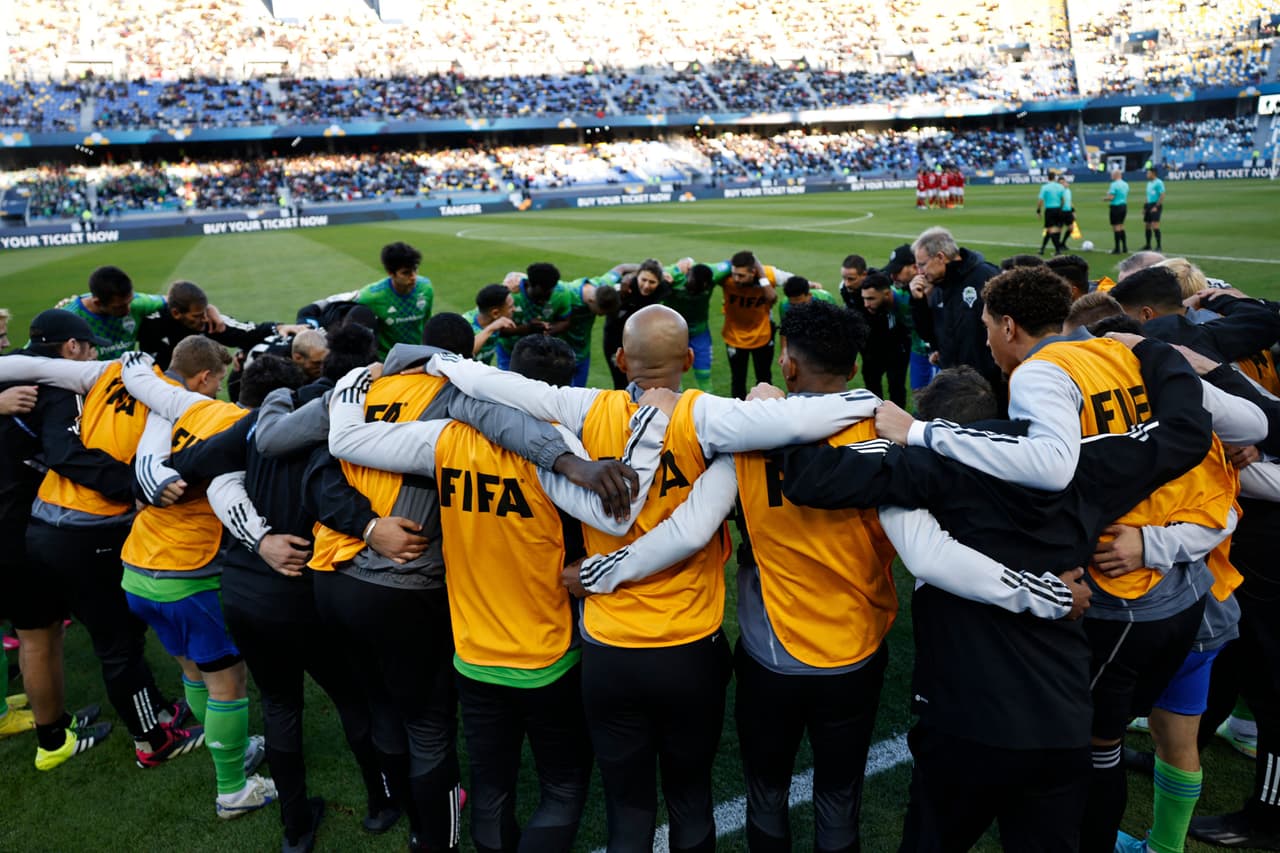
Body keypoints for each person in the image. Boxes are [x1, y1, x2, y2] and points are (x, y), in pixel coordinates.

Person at [569, 303, 1091, 852]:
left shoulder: (745, 437)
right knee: (838, 798)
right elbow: (929, 551)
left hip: (770, 656)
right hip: (854, 650)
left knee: (767, 793)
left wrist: (603, 569)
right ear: (855, 361)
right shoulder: (890, 434)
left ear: (788, 365)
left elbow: (688, 529)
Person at [422, 304, 885, 852]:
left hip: (609, 650)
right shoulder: (706, 417)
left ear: (619, 360)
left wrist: (432, 361)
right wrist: (864, 400)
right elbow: (783, 431)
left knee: (629, 808)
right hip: (690, 648)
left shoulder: (582, 408)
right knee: (690, 799)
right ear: (690, 358)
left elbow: (504, 386)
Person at [772, 338, 1214, 852]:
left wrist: (785, 409)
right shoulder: (1082, 466)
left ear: (932, 425)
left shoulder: (920, 469)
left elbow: (807, 476)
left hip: (964, 718)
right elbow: (1186, 431)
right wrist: (1155, 351)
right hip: (1060, 717)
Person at [874, 266, 1261, 853]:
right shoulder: (1124, 355)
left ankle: (1100, 842)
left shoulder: (1041, 373)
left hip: (1117, 590)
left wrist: (921, 434)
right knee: (1139, 734)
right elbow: (1251, 422)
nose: (983, 340)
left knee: (1091, 749)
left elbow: (1051, 465)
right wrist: (1162, 360)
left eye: (985, 327)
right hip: (1188, 586)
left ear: (1008, 326)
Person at [276, 313, 639, 853]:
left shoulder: (414, 423)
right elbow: (615, 522)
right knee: (537, 775)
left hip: (412, 620)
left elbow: (313, 443)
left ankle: (397, 810)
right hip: (514, 637)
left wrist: (364, 515)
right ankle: (432, 830)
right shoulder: (514, 438)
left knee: (447, 755)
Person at [158, 354, 405, 852]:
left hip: (245, 594)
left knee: (279, 704)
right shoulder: (338, 425)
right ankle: (382, 804)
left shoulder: (255, 427)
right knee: (352, 697)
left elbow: (191, 465)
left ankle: (295, 829)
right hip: (301, 591)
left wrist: (153, 479)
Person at [117, 339, 277, 818]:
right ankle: (232, 788)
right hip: (187, 577)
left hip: (136, 572)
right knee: (228, 682)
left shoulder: (178, 413)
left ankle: (227, 746)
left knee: (192, 670)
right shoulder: (233, 424)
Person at [907, 227, 1002, 401]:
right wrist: (918, 303)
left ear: (941, 257)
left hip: (988, 386)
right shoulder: (939, 288)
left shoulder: (985, 276)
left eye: (922, 264)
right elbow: (930, 334)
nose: (919, 272)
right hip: (954, 385)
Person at [137, 280, 299, 370]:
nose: (204, 319)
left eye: (205, 312)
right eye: (197, 316)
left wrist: (278, 327)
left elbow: (248, 332)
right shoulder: (149, 322)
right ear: (176, 313)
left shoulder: (209, 321)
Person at [53, 265, 191, 360]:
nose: (128, 310)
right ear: (98, 303)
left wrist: (209, 309)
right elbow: (33, 354)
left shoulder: (137, 303)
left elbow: (176, 300)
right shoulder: (68, 318)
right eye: (119, 307)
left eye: (129, 301)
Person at [719, 251, 794, 399]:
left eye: (741, 275)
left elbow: (794, 282)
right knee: (738, 380)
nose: (736, 279)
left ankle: (765, 415)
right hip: (735, 337)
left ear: (754, 272)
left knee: (764, 378)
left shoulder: (769, 274)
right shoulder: (725, 277)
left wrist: (812, 285)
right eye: (734, 274)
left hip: (763, 336)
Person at [498, 262, 575, 372]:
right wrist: (527, 329)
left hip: (540, 354)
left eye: (551, 289)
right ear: (530, 284)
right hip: (510, 351)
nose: (549, 294)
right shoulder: (511, 296)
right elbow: (499, 330)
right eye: (544, 290)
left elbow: (566, 321)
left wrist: (549, 329)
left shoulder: (561, 293)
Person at [883, 245, 933, 392]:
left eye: (897, 271)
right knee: (919, 400)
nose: (893, 277)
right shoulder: (898, 292)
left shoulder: (939, 290)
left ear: (915, 267)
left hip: (940, 354)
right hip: (918, 352)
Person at [561, 269, 622, 387]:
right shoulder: (566, 292)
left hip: (582, 355)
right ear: (591, 301)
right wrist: (514, 276)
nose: (601, 316)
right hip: (561, 356)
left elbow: (622, 268)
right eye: (601, 312)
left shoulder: (602, 286)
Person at [858, 272, 911, 408]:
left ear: (887, 294)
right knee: (872, 389)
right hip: (871, 353)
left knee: (896, 387)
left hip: (897, 351)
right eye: (864, 298)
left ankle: (898, 422)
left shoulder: (902, 303)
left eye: (871, 299)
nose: (866, 304)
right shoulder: (862, 308)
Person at [662, 260, 716, 392]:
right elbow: (652, 271)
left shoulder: (714, 273)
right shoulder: (672, 275)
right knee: (673, 375)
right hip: (673, 334)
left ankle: (708, 408)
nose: (692, 290)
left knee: (704, 375)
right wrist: (666, 272)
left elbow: (736, 263)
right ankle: (676, 408)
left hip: (699, 334)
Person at [465, 284, 517, 366]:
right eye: (510, 307)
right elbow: (464, 354)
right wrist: (491, 328)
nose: (515, 309)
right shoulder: (465, 326)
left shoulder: (488, 314)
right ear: (495, 313)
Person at [1036, 169, 1066, 255]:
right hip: (1059, 209)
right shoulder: (1060, 187)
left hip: (1050, 210)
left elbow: (1040, 200)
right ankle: (1042, 249)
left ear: (1048, 178)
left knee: (1050, 230)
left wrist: (1038, 210)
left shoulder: (1045, 187)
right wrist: (1061, 208)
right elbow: (1063, 200)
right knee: (1053, 230)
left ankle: (1058, 250)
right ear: (1055, 178)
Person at [1104, 169, 1131, 255]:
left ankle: (1117, 248)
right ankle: (1125, 247)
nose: (1111, 176)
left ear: (1116, 175)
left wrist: (1105, 198)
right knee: (1121, 226)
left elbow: (1111, 197)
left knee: (1116, 227)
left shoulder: (1114, 184)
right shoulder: (1126, 184)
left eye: (1112, 174)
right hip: (1123, 206)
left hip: (1116, 206)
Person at [1144, 167, 1166, 251]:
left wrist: (1156, 206)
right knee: (1147, 225)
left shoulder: (1159, 182)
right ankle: (1148, 245)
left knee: (1155, 225)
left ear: (1153, 174)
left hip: (1155, 205)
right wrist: (1145, 207)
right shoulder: (1149, 183)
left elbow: (1162, 195)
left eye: (1148, 173)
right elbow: (1147, 196)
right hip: (1149, 205)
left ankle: (1159, 246)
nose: (1147, 174)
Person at [1058, 174, 1076, 252]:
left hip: (1068, 212)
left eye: (1063, 182)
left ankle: (1063, 243)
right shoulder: (1058, 192)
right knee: (1059, 229)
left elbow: (1070, 201)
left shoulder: (1068, 191)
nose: (1062, 184)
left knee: (1071, 228)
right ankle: (1058, 245)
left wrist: (1073, 211)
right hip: (1061, 212)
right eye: (1060, 183)